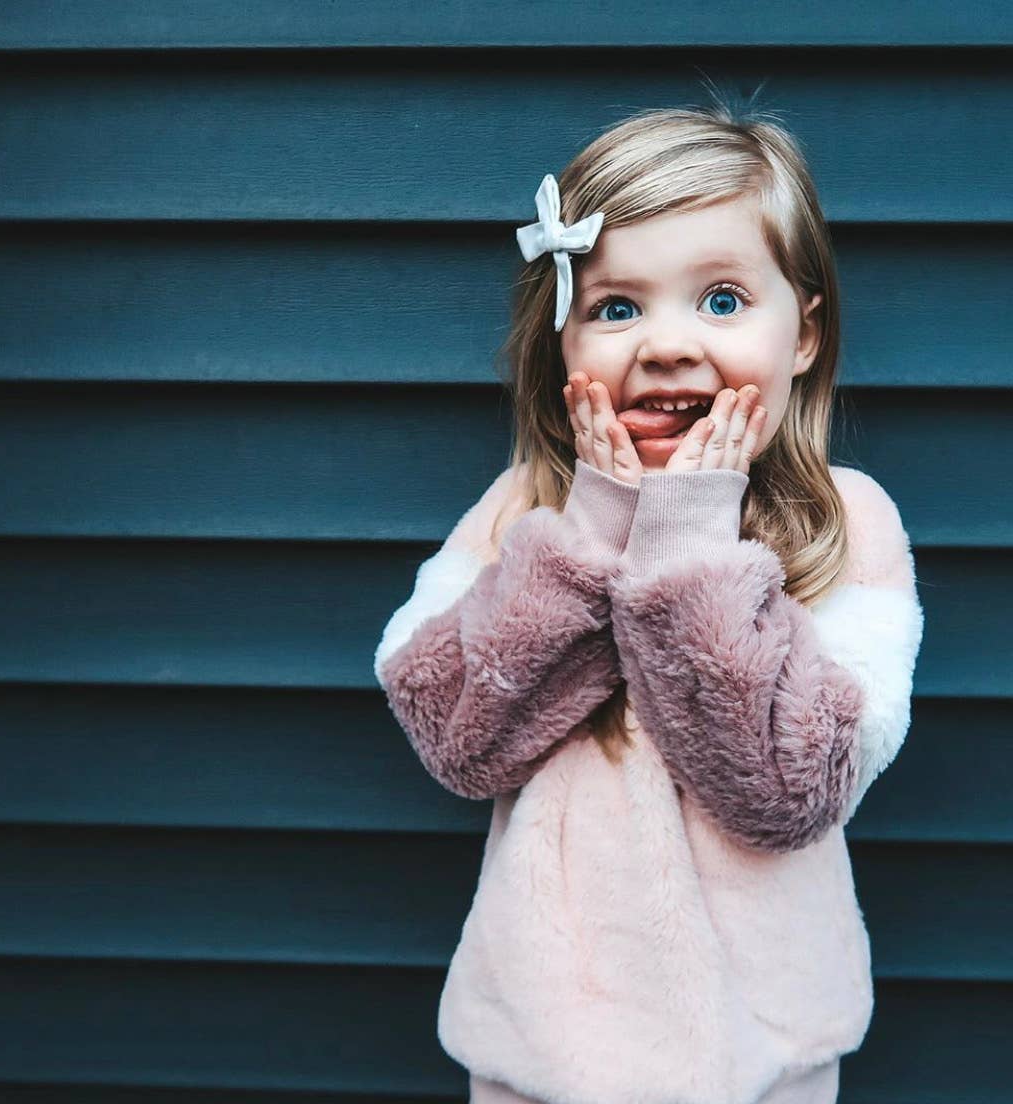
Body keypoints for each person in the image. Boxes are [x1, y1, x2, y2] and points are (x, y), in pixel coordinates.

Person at [373, 105, 925, 1104]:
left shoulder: (849, 521)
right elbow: (457, 736)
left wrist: (684, 551)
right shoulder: (521, 516)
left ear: (803, 334)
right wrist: (590, 538)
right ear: (562, 341)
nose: (668, 346)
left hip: (757, 1053)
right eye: (618, 308)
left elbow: (787, 787)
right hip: (544, 1049)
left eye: (720, 300)